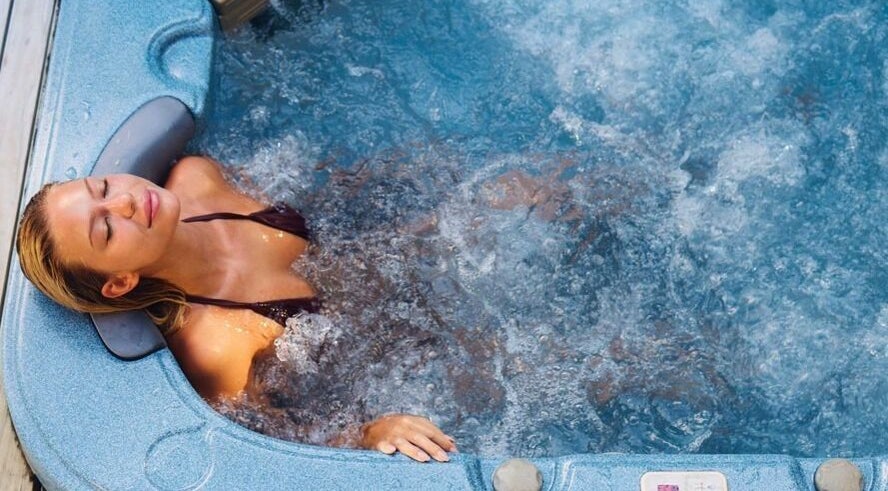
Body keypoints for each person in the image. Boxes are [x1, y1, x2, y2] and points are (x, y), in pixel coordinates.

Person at [15, 155, 456, 463]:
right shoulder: (214, 347)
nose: (125, 201)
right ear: (120, 282)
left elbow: (332, 202)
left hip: (398, 255)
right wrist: (369, 434)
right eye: (106, 227)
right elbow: (284, 438)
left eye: (104, 188)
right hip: (405, 342)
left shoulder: (197, 175)